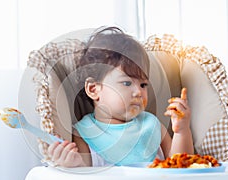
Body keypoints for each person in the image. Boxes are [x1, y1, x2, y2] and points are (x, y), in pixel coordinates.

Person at [40, 26, 194, 168]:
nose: (138, 92)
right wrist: (72, 164)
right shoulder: (83, 134)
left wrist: (181, 131)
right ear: (93, 89)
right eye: (126, 83)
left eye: (143, 85)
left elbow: (180, 167)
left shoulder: (152, 125)